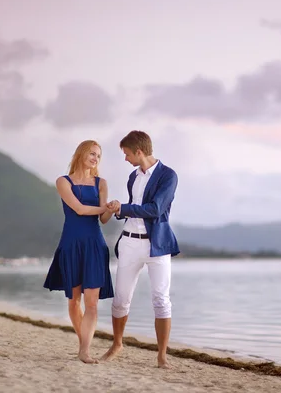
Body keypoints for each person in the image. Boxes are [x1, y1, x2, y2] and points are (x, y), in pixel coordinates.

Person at [100, 130, 180, 368]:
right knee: (121, 299)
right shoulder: (132, 177)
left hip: (157, 245)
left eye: (126, 154)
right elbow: (134, 207)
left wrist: (122, 208)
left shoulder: (168, 176)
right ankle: (117, 344)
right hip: (129, 242)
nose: (125, 159)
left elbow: (155, 209)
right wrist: (119, 208)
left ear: (139, 152)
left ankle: (162, 355)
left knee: (161, 299)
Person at [43, 140, 115, 364]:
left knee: (92, 303)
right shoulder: (63, 181)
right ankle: (82, 344)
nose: (95, 158)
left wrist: (110, 210)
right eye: (92, 153)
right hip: (71, 245)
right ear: (81, 153)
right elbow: (80, 209)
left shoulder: (101, 183)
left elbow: (102, 219)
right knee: (74, 301)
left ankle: (85, 350)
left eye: (99, 156)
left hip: (94, 245)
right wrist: (105, 207)